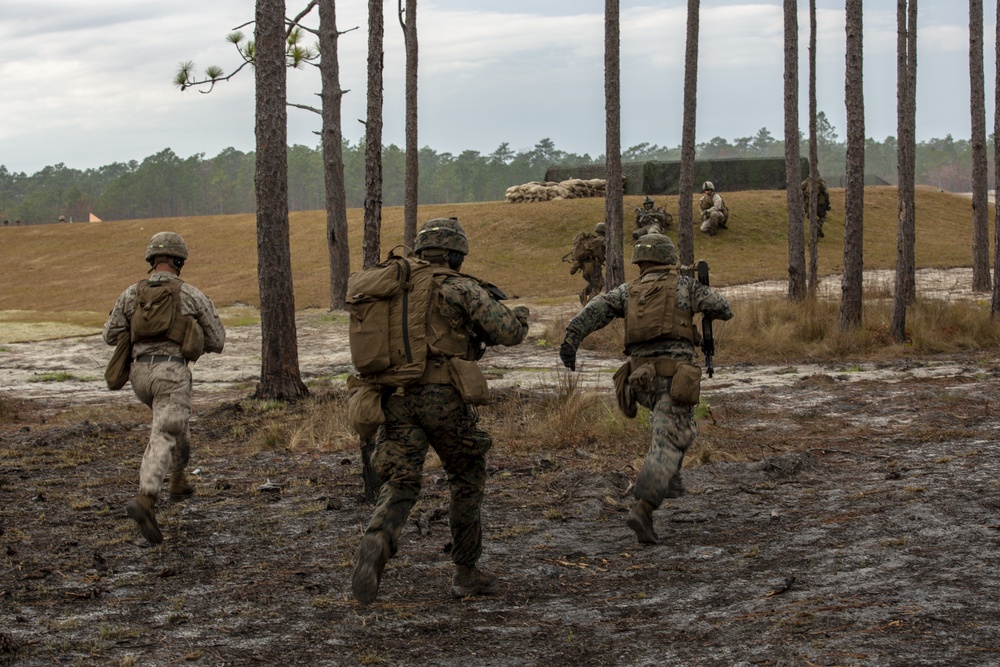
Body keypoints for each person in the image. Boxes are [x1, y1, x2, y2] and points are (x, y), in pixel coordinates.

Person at [351, 217, 530, 604]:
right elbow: (509, 333)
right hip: (443, 395)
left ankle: (377, 539)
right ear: (456, 255)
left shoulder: (393, 286)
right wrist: (522, 317)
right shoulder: (460, 287)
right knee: (466, 475)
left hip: (394, 395)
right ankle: (466, 571)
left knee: (401, 481)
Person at [558, 233, 732, 546]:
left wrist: (572, 339)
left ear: (640, 262)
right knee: (674, 437)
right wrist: (700, 291)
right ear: (669, 259)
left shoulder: (628, 290)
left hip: (639, 382)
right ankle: (644, 508)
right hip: (674, 380)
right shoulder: (684, 287)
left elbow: (596, 309)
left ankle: (670, 479)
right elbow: (723, 308)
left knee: (665, 432)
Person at [103, 232, 226, 545]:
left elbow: (110, 333)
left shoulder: (131, 294)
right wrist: (189, 331)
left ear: (152, 261)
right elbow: (217, 340)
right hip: (171, 373)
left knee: (175, 425)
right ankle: (146, 500)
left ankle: (179, 480)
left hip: (139, 376)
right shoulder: (190, 295)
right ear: (179, 261)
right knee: (164, 433)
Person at [568, 222, 606, 305]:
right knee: (597, 286)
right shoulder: (602, 240)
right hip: (593, 266)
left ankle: (584, 294)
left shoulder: (591, 240)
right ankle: (590, 305)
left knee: (596, 283)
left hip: (585, 266)